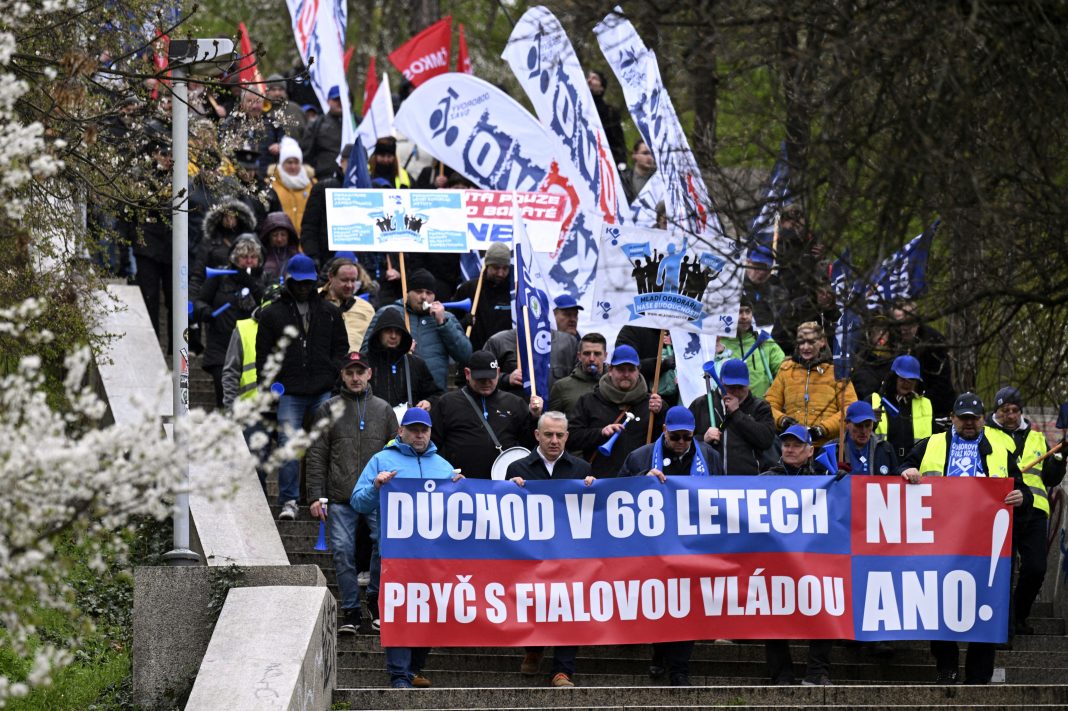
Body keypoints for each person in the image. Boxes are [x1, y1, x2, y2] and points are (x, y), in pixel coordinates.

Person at [897, 392, 1029, 684]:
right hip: (940, 542)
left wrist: (1023, 496)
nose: (969, 424)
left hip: (985, 546)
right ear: (953, 419)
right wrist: (906, 471)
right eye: (963, 418)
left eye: (975, 418)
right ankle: (946, 668)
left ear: (983, 419)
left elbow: (1022, 489)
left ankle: (979, 677)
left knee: (986, 605)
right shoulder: (932, 443)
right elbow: (901, 467)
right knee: (941, 605)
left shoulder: (1000, 447)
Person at [350, 408, 463, 689]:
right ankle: (399, 675)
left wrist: (463, 490)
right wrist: (376, 486)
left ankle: (414, 669)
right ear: (401, 431)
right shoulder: (381, 460)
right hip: (396, 556)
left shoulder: (445, 466)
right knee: (400, 612)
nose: (419, 434)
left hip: (435, 557)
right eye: (413, 429)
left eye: (424, 429)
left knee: (431, 612)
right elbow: (357, 503)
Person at [622, 406, 724, 687]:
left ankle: (680, 669)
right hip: (652, 545)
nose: (681, 443)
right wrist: (642, 480)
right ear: (664, 430)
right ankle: (659, 653)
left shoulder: (710, 457)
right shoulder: (640, 456)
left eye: (687, 437)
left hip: (692, 545)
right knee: (658, 604)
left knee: (686, 606)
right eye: (676, 436)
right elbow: (616, 497)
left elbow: (723, 496)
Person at [306, 352, 397, 634]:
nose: (355, 378)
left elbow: (396, 453)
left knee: (384, 547)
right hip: (340, 495)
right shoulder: (327, 409)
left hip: (375, 496)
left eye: (360, 372)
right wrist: (314, 496)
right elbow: (316, 454)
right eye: (350, 373)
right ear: (343, 376)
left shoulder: (384, 410)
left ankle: (374, 598)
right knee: (343, 552)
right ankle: (351, 611)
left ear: (369, 374)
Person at [255, 254, 349, 520]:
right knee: (288, 444)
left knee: (327, 443)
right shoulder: (272, 313)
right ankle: (289, 500)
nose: (304, 287)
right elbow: (263, 355)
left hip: (322, 388)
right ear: (289, 282)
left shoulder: (330, 312)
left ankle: (324, 498)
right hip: (290, 390)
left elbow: (341, 349)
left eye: (308, 282)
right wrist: (272, 384)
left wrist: (333, 376)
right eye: (299, 282)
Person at [506, 411, 595, 687]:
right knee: (535, 603)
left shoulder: (581, 469)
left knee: (570, 607)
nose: (554, 440)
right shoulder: (518, 469)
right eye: (548, 434)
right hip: (531, 555)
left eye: (559, 435)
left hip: (570, 555)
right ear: (537, 435)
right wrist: (507, 490)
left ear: (567, 436)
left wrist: (595, 490)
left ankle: (563, 670)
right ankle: (534, 648)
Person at [984, 387, 1066, 635]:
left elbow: (1049, 478)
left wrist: (1059, 459)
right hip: (998, 511)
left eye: (1014, 410)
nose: (1010, 416)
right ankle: (1003, 622)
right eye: (1004, 410)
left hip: (1034, 512)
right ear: (996, 412)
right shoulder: (984, 435)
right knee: (1000, 570)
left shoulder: (1037, 438)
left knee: (1036, 568)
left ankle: (1019, 615)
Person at [761, 424, 834, 684]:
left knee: (825, 611)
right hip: (777, 561)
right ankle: (781, 674)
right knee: (774, 616)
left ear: (810, 450)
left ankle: (817, 671)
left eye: (796, 445)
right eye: (786, 444)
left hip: (815, 560)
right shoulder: (766, 478)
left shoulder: (827, 478)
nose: (789, 449)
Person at [430, 351, 541, 479]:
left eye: (490, 378)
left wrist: (534, 418)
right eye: (480, 379)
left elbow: (530, 443)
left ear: (498, 373)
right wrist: (445, 473)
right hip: (459, 483)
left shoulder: (515, 403)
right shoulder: (446, 403)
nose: (486, 383)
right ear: (467, 374)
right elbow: (432, 446)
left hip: (506, 483)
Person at [361, 268, 473, 391]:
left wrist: (444, 324)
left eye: (429, 293)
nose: (424, 297)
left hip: (433, 394)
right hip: (394, 390)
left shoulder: (446, 318)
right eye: (418, 291)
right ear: (407, 292)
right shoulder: (388, 313)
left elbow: (466, 356)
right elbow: (366, 352)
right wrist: (398, 350)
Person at [192, 235, 267, 407]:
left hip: (253, 348)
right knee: (224, 390)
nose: (248, 262)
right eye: (244, 257)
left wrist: (253, 285)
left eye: (253, 257)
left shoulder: (265, 278)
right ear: (235, 258)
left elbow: (270, 304)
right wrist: (207, 312)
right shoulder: (220, 276)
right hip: (221, 346)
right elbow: (199, 301)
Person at [568, 345, 665, 476]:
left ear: (638, 371)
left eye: (631, 370)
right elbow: (571, 438)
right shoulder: (589, 401)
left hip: (640, 481)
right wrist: (600, 433)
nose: (626, 374)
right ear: (610, 370)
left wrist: (661, 413)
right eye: (620, 369)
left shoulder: (653, 404)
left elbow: (668, 441)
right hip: (600, 482)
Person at [765, 321, 857, 446]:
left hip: (828, 447)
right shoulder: (786, 370)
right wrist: (783, 421)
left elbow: (850, 409)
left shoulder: (837, 372)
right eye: (801, 342)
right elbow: (768, 405)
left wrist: (822, 429)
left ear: (822, 342)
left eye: (811, 342)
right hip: (794, 446)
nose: (805, 347)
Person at [689, 359, 776, 475]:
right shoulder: (701, 404)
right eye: (730, 387)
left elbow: (766, 440)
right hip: (709, 483)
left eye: (740, 387)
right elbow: (680, 442)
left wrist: (737, 413)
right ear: (720, 382)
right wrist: (702, 440)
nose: (736, 392)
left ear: (748, 384)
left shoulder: (760, 407)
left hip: (747, 482)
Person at [362, 307, 442, 410]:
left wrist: (429, 402)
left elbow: (436, 395)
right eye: (388, 331)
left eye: (398, 332)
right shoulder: (363, 363)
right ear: (379, 333)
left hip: (407, 424)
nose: (393, 336)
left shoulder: (416, 364)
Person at [890, 300, 955, 417]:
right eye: (899, 324)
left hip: (935, 409)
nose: (903, 328)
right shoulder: (893, 341)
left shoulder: (933, 342)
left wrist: (918, 403)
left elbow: (941, 384)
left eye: (908, 323)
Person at [190, 197, 258, 302]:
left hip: (247, 294)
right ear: (219, 218)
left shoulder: (249, 239)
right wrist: (192, 302)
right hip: (217, 295)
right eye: (226, 216)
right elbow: (198, 274)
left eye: (232, 215)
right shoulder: (210, 241)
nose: (229, 219)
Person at [714, 300, 785, 399]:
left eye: (748, 312)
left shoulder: (764, 341)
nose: (744, 317)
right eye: (739, 312)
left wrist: (776, 391)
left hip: (762, 407)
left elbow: (783, 371)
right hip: (729, 408)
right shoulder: (718, 344)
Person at [484, 326, 578, 400]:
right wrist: (507, 379)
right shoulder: (499, 341)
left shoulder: (568, 342)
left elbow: (578, 380)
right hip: (515, 414)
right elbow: (482, 376)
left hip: (554, 415)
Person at [870, 354, 935, 460]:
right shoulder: (874, 400)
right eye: (903, 379)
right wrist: (871, 423)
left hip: (914, 468)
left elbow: (935, 441)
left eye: (911, 380)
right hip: (883, 467)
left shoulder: (925, 404)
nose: (907, 384)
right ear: (893, 378)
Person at [450, 243, 512, 350]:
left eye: (505, 268)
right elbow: (449, 325)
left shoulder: (514, 293)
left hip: (505, 357)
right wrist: (464, 323)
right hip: (474, 358)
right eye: (496, 268)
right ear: (487, 265)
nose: (501, 273)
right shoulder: (468, 289)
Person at [300, 144, 349, 266]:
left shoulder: (371, 190)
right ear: (342, 162)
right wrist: (313, 256)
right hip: (328, 260)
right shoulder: (322, 188)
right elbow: (309, 226)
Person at [321, 256, 376, 351]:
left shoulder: (367, 308)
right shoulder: (313, 300)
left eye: (353, 280)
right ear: (330, 277)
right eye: (344, 280)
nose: (349, 285)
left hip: (356, 363)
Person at [549, 333, 607, 416]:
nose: (591, 359)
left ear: (605, 356)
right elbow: (552, 423)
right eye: (587, 353)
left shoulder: (615, 384)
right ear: (579, 356)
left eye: (597, 354)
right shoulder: (561, 387)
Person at [267, 136, 315, 235]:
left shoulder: (312, 184)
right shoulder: (270, 184)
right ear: (282, 163)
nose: (293, 166)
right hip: (282, 241)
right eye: (289, 162)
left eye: (296, 162)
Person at [836, 400, 897, 475]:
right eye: (858, 425)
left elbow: (896, 478)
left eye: (868, 425)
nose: (864, 431)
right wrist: (831, 476)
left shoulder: (885, 449)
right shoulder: (834, 449)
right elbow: (819, 480)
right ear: (847, 423)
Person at [300, 84, 344, 180]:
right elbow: (307, 152)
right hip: (323, 177)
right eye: (336, 99)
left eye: (342, 99)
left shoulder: (355, 123)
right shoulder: (317, 124)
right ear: (328, 101)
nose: (340, 103)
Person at [850, 314, 895, 402]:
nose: (881, 334)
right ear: (870, 333)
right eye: (877, 330)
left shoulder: (894, 361)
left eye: (884, 331)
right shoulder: (860, 360)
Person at [586, 70, 627, 168]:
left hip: (604, 163)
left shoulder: (610, 112)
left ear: (601, 88)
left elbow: (618, 142)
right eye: (588, 77)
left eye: (594, 78)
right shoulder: (579, 108)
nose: (589, 81)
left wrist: (621, 165)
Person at [743, 254, 789, 329]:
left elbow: (782, 316)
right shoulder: (733, 284)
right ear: (747, 262)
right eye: (758, 266)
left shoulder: (775, 285)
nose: (762, 272)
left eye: (767, 269)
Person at [258, 211, 300, 285]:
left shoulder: (298, 258)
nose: (279, 239)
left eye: (283, 235)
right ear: (268, 236)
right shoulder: (259, 258)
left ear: (289, 236)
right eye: (275, 235)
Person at [264, 73, 307, 141]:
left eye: (280, 89)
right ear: (267, 91)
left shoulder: (296, 109)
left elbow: (307, 135)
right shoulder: (261, 111)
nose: (277, 93)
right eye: (273, 89)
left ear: (285, 91)